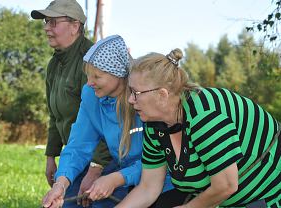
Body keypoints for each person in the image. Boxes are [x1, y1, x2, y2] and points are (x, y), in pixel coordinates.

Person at [116, 48, 281, 208]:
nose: (130, 100)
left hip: (269, 196)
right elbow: (147, 188)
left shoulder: (205, 115)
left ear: (162, 95)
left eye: (136, 93)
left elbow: (226, 185)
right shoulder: (154, 125)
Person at [41, 35, 175, 208]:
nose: (89, 83)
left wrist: (116, 179)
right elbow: (78, 145)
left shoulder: (144, 99)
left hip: (168, 184)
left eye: (97, 77)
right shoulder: (91, 95)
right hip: (134, 184)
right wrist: (61, 184)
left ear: (118, 74)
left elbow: (159, 160)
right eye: (88, 75)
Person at [30, 1, 111, 207]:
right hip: (75, 158)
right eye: (46, 22)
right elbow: (55, 114)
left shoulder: (92, 62)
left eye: (53, 22)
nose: (47, 27)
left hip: (103, 163)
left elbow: (108, 118)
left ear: (75, 26)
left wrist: (95, 169)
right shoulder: (54, 64)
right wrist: (51, 156)